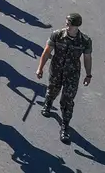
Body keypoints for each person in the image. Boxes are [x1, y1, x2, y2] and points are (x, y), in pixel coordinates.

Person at [36, 13, 92, 143]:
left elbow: (87, 58)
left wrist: (88, 75)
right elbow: (47, 51)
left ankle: (65, 127)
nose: (66, 25)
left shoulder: (85, 41)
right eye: (66, 22)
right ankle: (48, 103)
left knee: (67, 101)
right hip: (56, 70)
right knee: (52, 90)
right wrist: (40, 68)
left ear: (76, 25)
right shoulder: (57, 35)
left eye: (69, 23)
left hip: (72, 75)